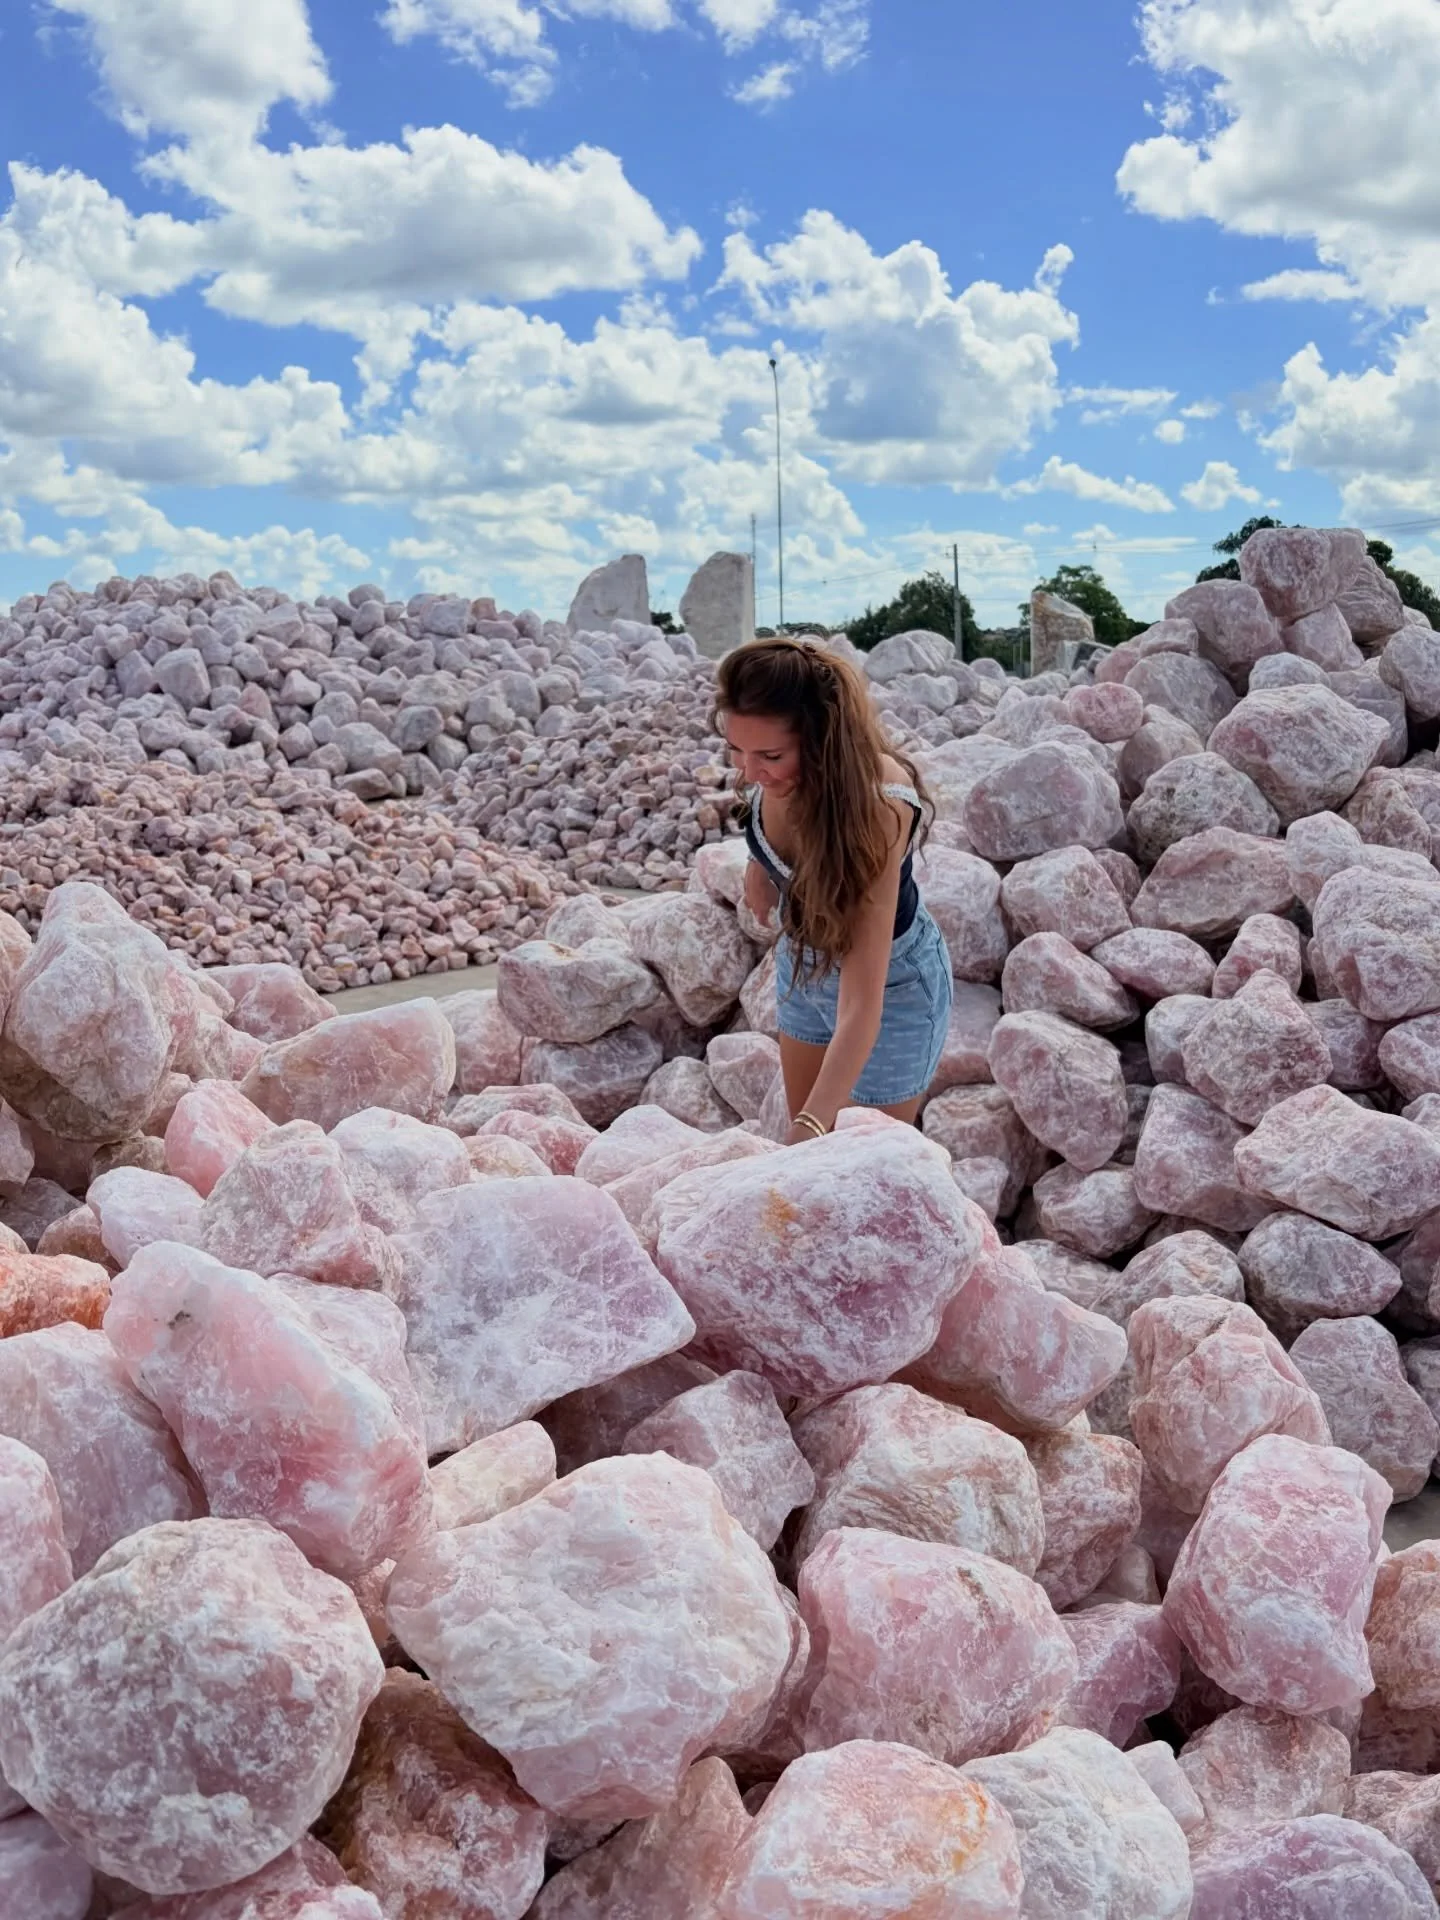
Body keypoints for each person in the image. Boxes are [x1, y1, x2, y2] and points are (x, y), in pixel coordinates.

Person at [715, 636, 953, 1147]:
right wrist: (761, 863)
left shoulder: (879, 806)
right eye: (736, 750)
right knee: (809, 1156)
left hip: (891, 989)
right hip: (803, 964)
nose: (749, 772)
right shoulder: (775, 770)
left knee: (865, 1163)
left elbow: (862, 1000)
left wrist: (812, 1125)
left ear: (823, 740)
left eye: (769, 755)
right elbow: (773, 811)